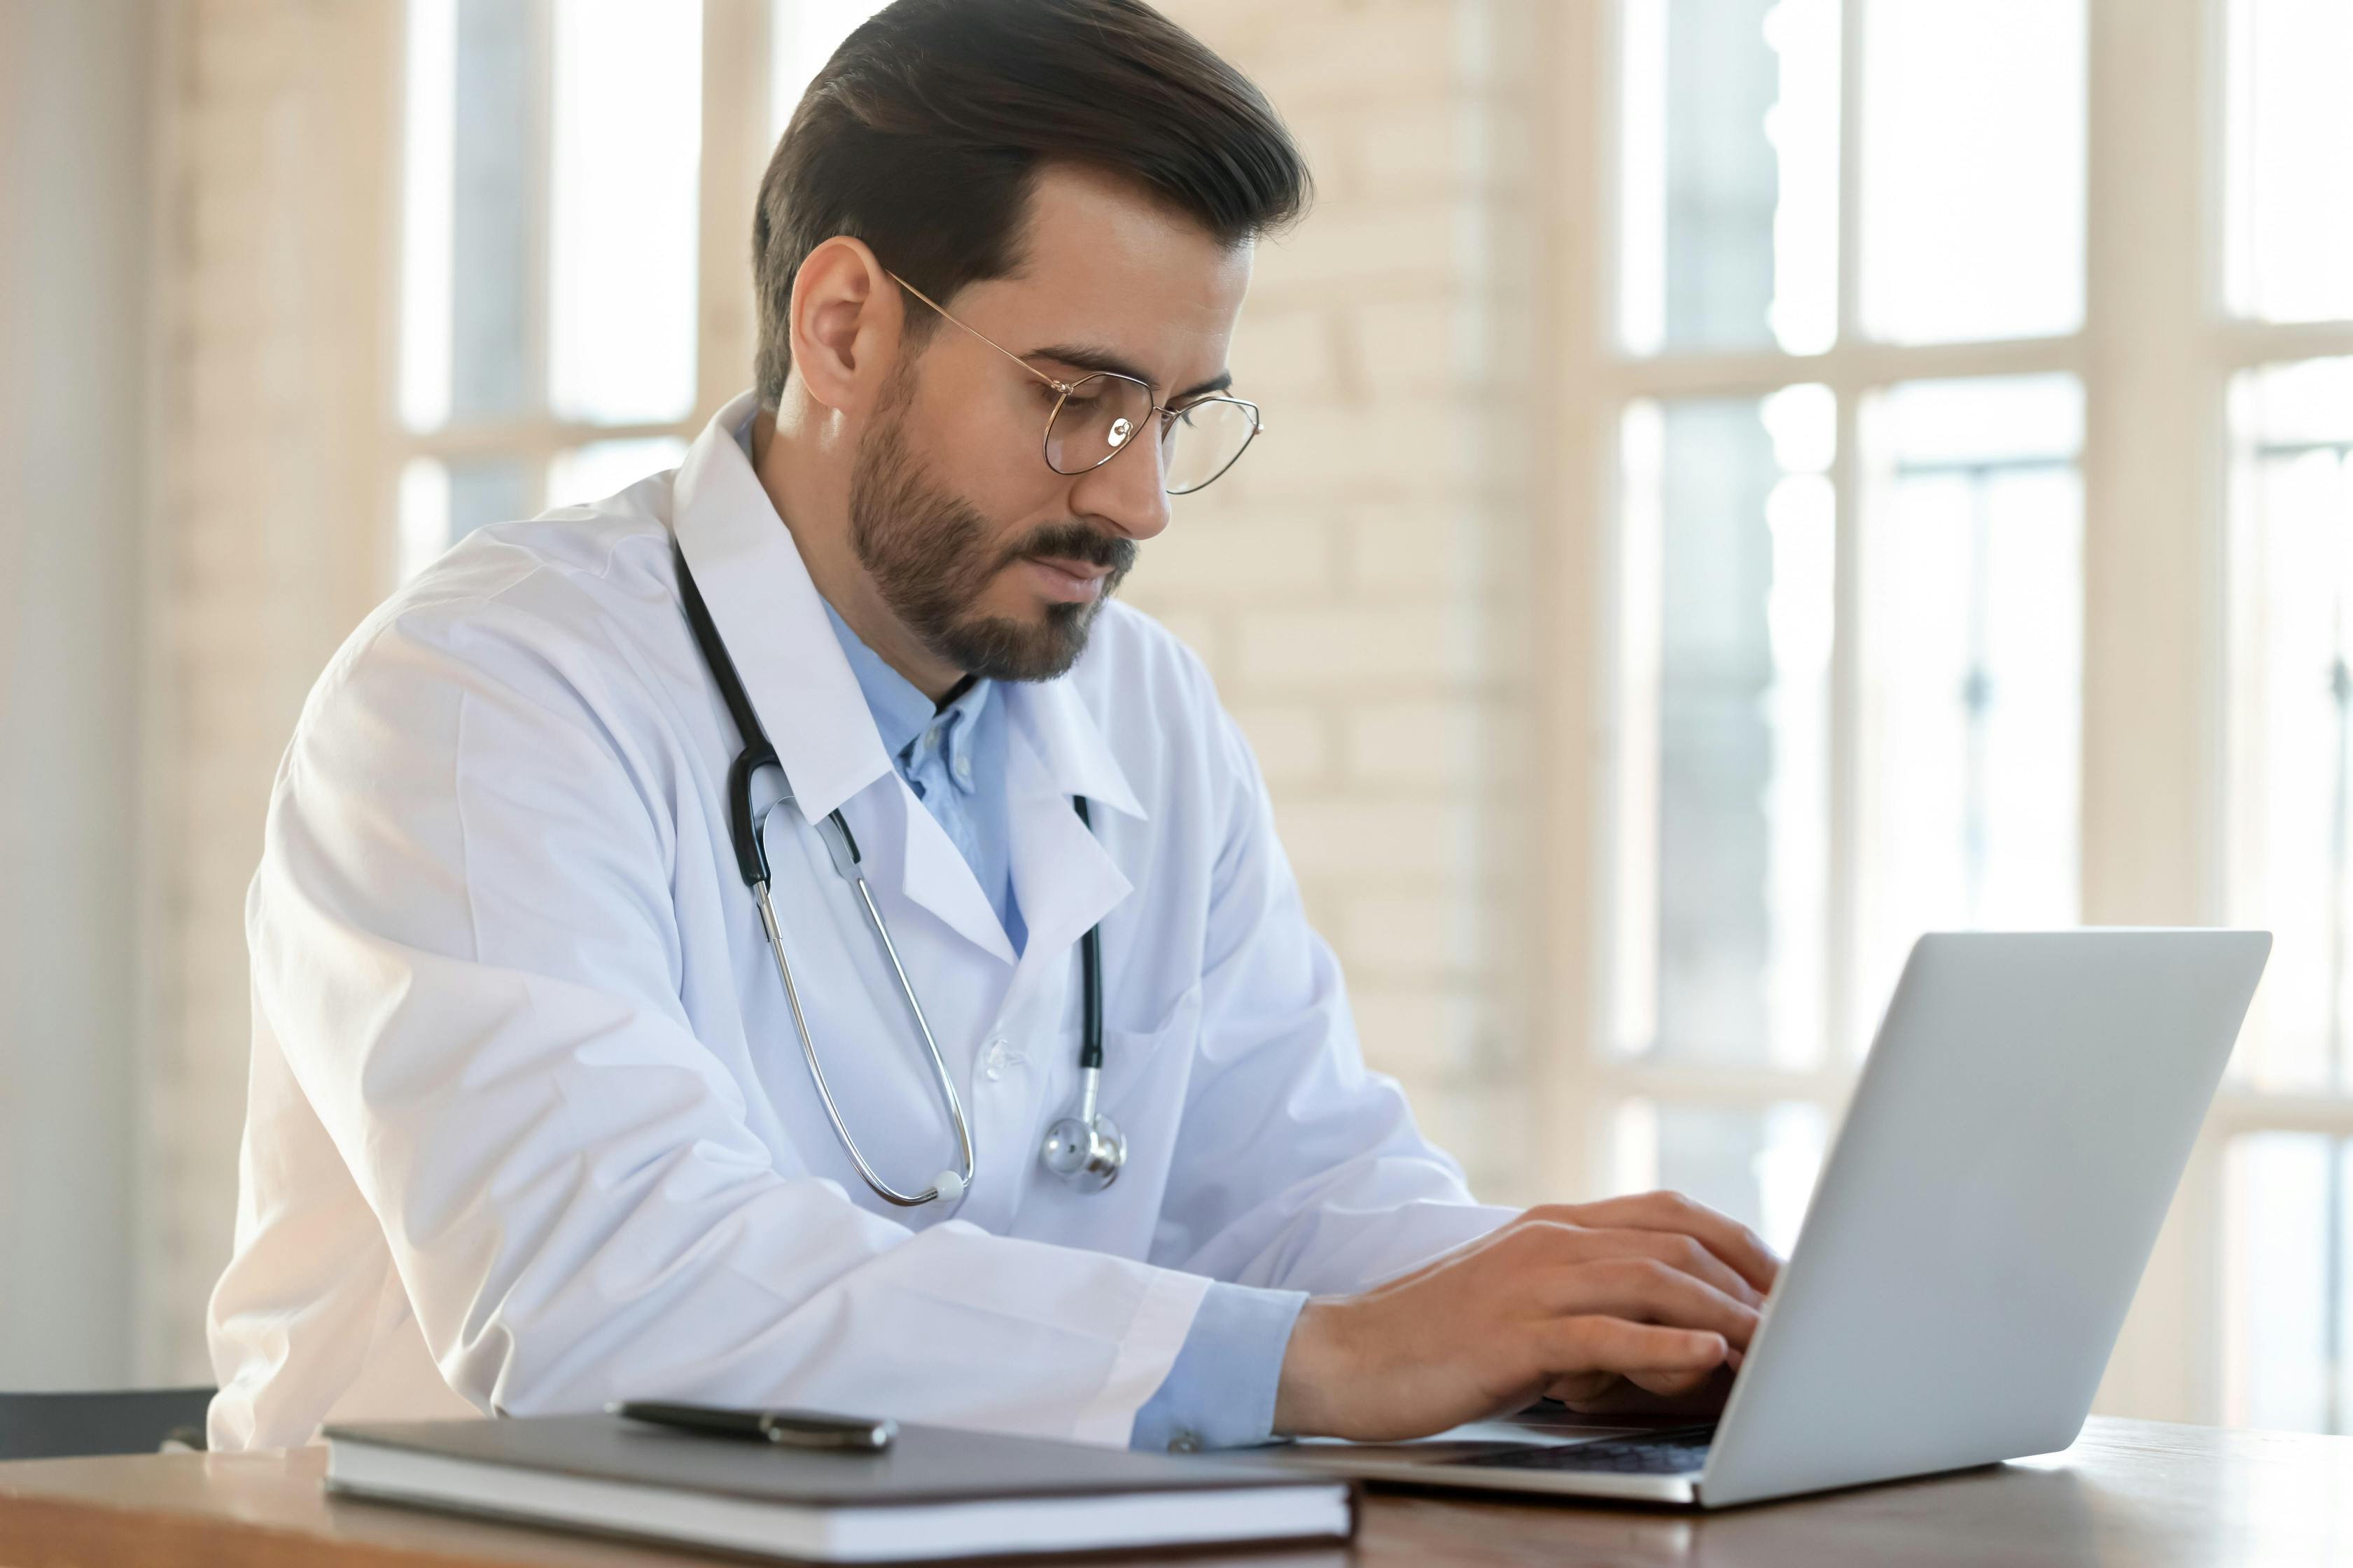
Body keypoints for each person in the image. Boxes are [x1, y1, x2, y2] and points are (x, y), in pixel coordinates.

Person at [207, 0, 1779, 1455]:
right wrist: (1331, 1361)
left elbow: (1289, 1197)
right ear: (841, 328)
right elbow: (604, 1292)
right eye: (1076, 395)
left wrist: (1565, 1314)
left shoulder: (1143, 712)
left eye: (1173, 415)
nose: (1137, 495)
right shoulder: (487, 696)